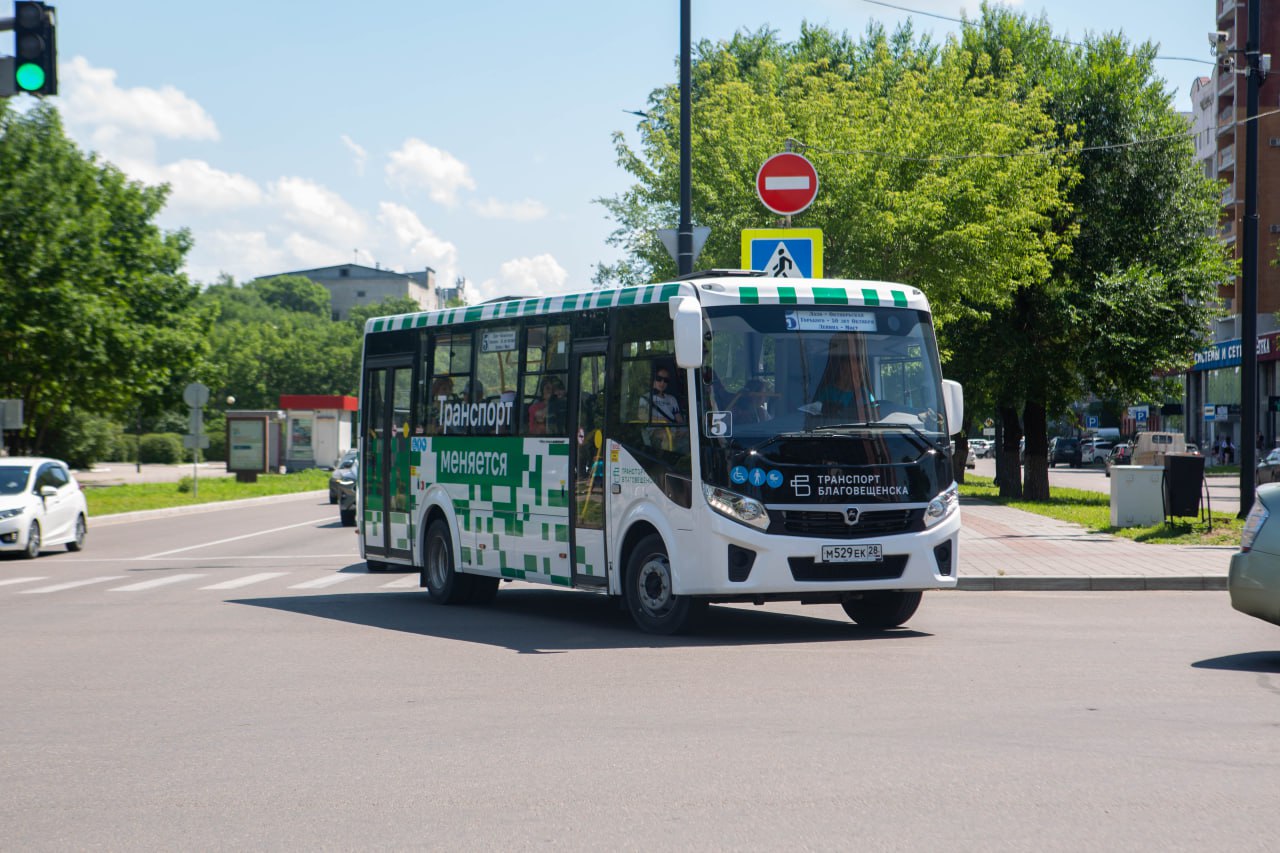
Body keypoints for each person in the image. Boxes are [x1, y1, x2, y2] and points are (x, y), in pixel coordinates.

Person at [811, 335, 876, 420]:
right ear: (842, 372)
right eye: (855, 373)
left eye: (860, 373)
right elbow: (814, 416)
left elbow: (875, 416)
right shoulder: (825, 393)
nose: (859, 376)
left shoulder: (865, 394)